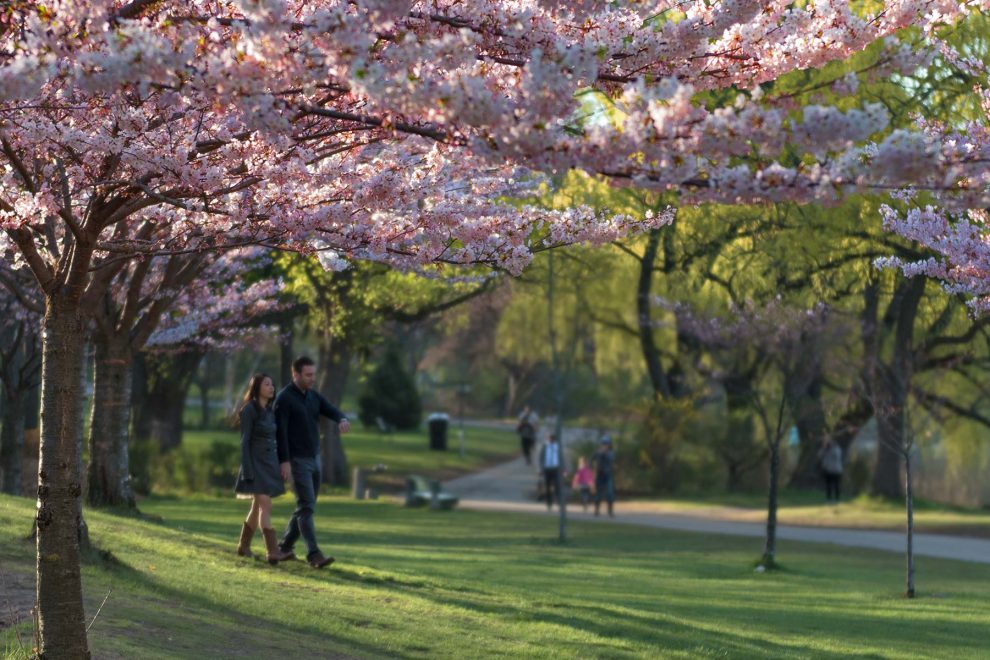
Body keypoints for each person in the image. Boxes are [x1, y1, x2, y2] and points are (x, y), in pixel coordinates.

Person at [275, 356, 351, 569]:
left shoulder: (313, 396)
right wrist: (284, 461)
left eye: (314, 374)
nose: (312, 378)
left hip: (315, 458)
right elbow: (280, 434)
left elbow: (331, 409)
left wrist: (342, 418)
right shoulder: (284, 399)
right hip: (297, 461)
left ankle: (284, 547)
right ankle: (314, 554)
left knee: (305, 507)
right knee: (306, 506)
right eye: (308, 375)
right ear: (295, 374)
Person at [233, 373, 291, 565]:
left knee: (257, 506)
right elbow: (244, 442)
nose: (271, 387)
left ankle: (243, 546)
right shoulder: (249, 410)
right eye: (267, 384)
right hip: (254, 464)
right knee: (266, 505)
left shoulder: (270, 411)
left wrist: (281, 463)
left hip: (269, 464)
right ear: (257, 387)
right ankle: (273, 551)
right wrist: (247, 470)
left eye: (272, 384)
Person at [538, 432, 566, 511]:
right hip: (547, 469)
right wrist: (541, 468)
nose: (551, 439)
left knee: (557, 485)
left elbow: (561, 458)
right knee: (547, 486)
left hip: (556, 469)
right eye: (550, 438)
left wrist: (563, 468)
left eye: (552, 438)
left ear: (554, 439)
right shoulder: (544, 446)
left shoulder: (558, 446)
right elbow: (541, 458)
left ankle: (558, 501)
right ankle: (549, 503)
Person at [591, 435, 616, 517]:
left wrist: (604, 454)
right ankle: (596, 510)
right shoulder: (598, 452)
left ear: (609, 444)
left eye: (606, 444)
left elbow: (611, 459)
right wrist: (593, 467)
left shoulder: (611, 453)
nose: (605, 445)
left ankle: (610, 511)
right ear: (601, 444)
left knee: (610, 493)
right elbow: (591, 460)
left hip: (608, 475)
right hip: (600, 475)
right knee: (599, 493)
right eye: (603, 444)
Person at [818, 438, 843, 503]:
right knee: (828, 485)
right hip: (827, 470)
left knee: (836, 485)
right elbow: (819, 456)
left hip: (836, 470)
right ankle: (829, 498)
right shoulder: (825, 450)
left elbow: (837, 456)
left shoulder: (836, 449)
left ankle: (837, 498)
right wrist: (823, 448)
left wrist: (831, 448)